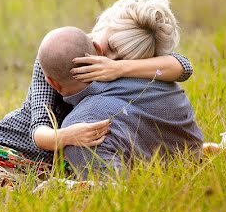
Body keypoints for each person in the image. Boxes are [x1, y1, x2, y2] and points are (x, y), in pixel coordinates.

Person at [0, 0, 193, 173]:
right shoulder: (57, 52)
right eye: (109, 48)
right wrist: (68, 136)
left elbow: (183, 67)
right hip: (45, 134)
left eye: (121, 58)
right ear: (102, 26)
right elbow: (40, 126)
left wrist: (118, 68)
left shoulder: (121, 66)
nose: (105, 59)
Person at [37, 27, 204, 179]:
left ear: (53, 83)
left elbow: (111, 187)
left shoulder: (83, 133)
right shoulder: (154, 76)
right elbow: (38, 128)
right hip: (192, 155)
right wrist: (65, 135)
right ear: (97, 49)